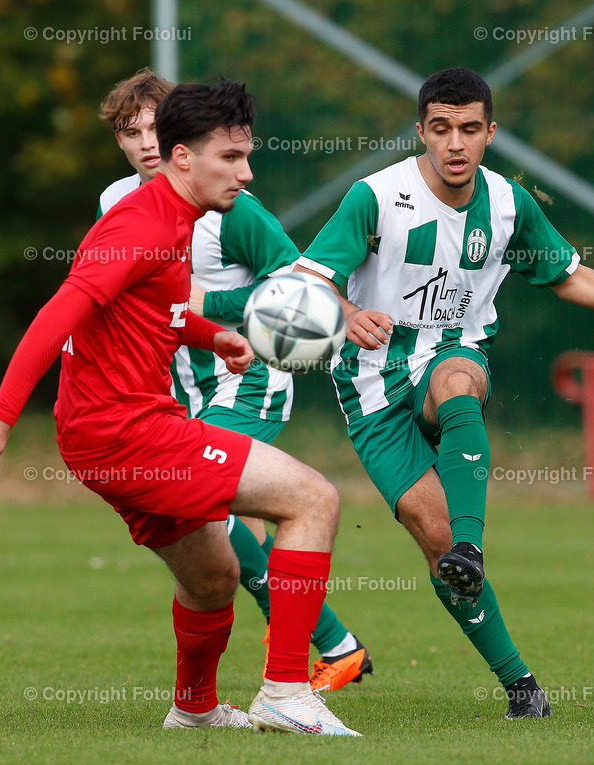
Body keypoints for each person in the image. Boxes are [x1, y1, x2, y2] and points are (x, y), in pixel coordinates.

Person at [295, 67, 594, 720]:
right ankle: (521, 685)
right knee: (433, 536)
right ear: (421, 133)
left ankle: (473, 540)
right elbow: (308, 280)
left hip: (453, 351)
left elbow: (569, 276)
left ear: (491, 133)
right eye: (441, 129)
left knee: (457, 380)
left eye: (469, 128)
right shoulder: (376, 198)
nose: (455, 143)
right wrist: (348, 310)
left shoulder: (508, 204)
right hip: (372, 383)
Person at [0, 78, 359, 736]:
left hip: (112, 432)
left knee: (215, 574)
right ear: (183, 158)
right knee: (313, 499)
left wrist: (210, 335)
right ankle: (286, 688)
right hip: (128, 433)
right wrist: (0, 415)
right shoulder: (138, 224)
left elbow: (158, 309)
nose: (245, 171)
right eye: (231, 157)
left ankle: (193, 708)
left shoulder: (176, 217)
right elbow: (60, 312)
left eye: (247, 155)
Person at [95, 67, 372, 692]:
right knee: (208, 525)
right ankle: (331, 646)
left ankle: (322, 646)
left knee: (199, 508)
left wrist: (207, 306)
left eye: (150, 127)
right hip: (183, 389)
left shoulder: (234, 210)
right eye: (126, 131)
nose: (142, 142)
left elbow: (298, 287)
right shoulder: (116, 203)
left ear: (181, 137)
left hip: (250, 377)